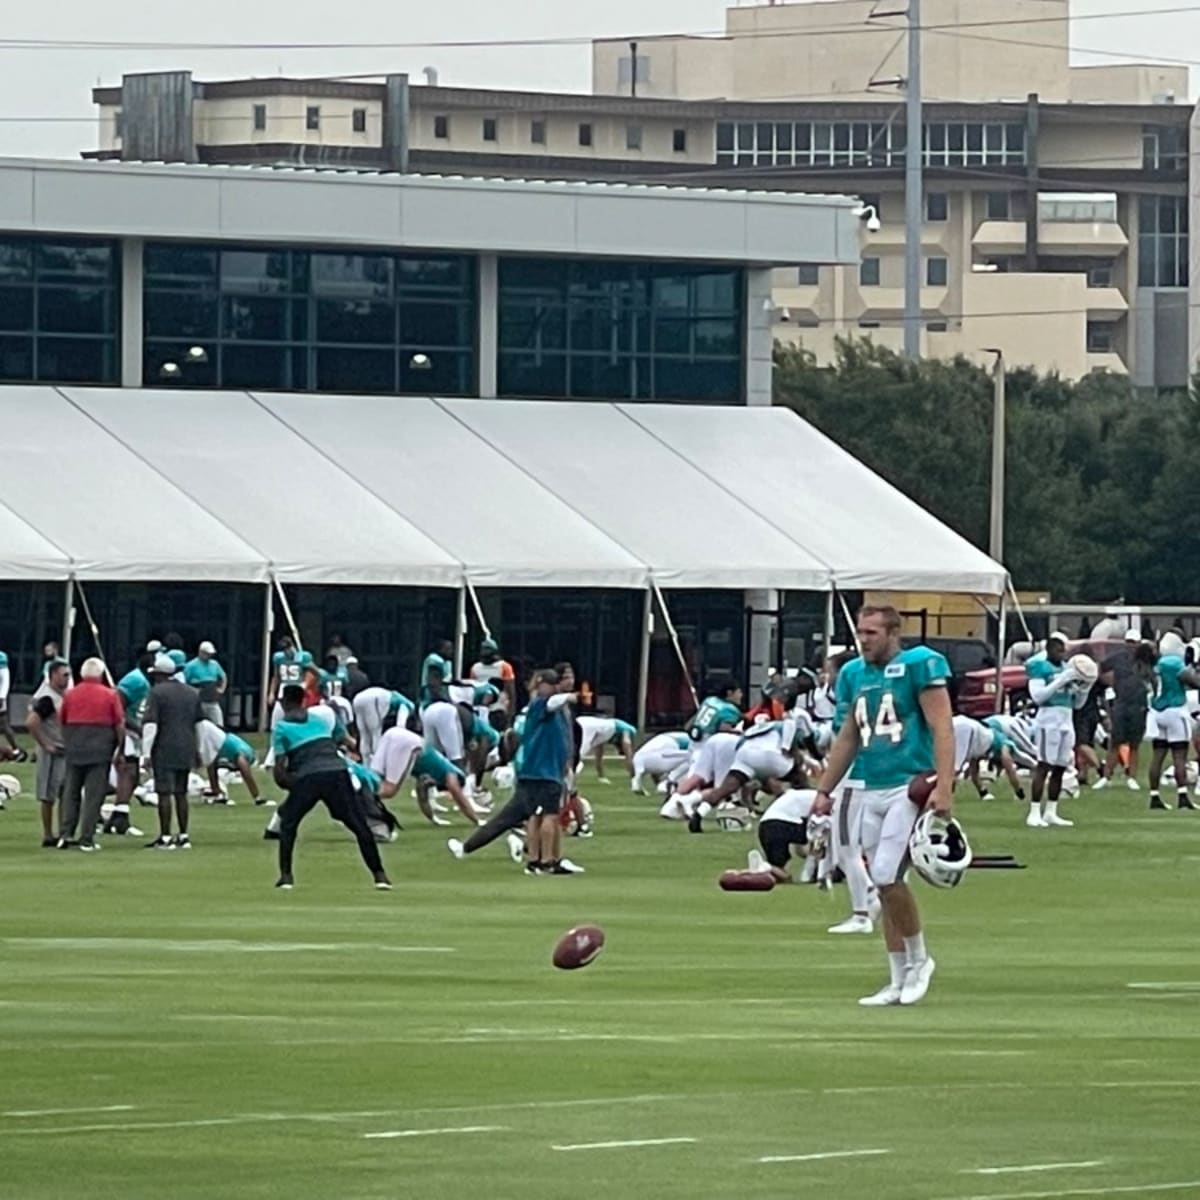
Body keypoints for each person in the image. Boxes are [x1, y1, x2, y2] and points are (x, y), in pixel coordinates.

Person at [814, 605, 954, 1007]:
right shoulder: (854, 673)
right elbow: (848, 737)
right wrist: (825, 789)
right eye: (861, 631)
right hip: (871, 784)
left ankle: (920, 960)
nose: (864, 639)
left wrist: (944, 786)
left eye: (872, 632)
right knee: (886, 883)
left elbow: (942, 726)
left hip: (907, 784)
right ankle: (896, 978)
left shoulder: (919, 664)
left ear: (894, 633)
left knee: (887, 873)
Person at [447, 668, 581, 875]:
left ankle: (536, 859)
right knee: (548, 815)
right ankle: (545, 861)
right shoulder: (540, 705)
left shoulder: (554, 711)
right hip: (542, 771)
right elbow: (552, 704)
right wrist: (570, 696)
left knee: (521, 817)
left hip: (541, 770)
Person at [271, 685, 391, 891]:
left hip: (309, 774)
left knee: (289, 823)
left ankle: (286, 877)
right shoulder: (319, 721)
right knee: (358, 824)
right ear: (303, 701)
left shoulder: (282, 728)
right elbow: (340, 742)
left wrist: (293, 785)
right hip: (337, 771)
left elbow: (280, 769)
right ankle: (380, 876)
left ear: (283, 703)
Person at [687, 715, 809, 832]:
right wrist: (791, 751)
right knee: (799, 777)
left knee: (723, 790)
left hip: (745, 755)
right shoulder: (784, 724)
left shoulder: (755, 729)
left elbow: (741, 745)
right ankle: (807, 815)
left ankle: (699, 814)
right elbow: (789, 729)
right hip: (770, 755)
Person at [57, 658, 125, 853]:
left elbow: (62, 720)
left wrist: (68, 742)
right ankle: (86, 838)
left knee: (71, 793)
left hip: (75, 747)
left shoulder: (70, 695)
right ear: (101, 675)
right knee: (93, 796)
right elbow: (119, 724)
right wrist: (120, 749)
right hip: (100, 749)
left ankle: (66, 834)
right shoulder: (110, 695)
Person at [142, 653, 204, 850]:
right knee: (181, 792)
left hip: (164, 748)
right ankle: (184, 835)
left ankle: (166, 836)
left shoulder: (157, 693)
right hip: (186, 747)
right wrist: (199, 749)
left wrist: (146, 752)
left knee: (164, 793)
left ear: (159, 674)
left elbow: (151, 724)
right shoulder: (191, 693)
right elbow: (200, 725)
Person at [1024, 632, 1086, 829]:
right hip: (1048, 721)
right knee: (1044, 765)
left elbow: (1077, 704)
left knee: (1060, 767)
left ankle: (1051, 811)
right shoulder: (1040, 668)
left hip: (1066, 720)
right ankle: (1034, 811)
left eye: (1063, 651)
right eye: (1058, 650)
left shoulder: (1066, 669)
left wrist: (1084, 688)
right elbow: (1038, 697)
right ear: (1049, 650)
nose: (1062, 654)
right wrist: (1060, 680)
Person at [370, 724, 483, 826]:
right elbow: (458, 795)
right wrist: (476, 819)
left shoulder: (428, 774)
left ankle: (359, 798)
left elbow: (422, 797)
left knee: (373, 779)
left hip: (392, 732)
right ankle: (361, 802)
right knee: (390, 790)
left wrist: (434, 819)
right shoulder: (453, 774)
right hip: (411, 744)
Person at [1146, 646, 1200, 811]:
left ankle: (1154, 796)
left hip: (1158, 712)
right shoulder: (1176, 665)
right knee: (1179, 756)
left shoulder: (1158, 667)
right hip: (1175, 710)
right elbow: (1191, 680)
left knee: (1157, 756)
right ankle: (1182, 796)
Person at [1096, 633, 1152, 791]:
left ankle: (1132, 777)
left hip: (1138, 704)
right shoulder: (1118, 658)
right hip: (1121, 703)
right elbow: (1102, 667)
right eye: (1129, 642)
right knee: (1115, 741)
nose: (1131, 645)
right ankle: (1106, 777)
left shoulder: (1145, 659)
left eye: (1134, 642)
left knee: (1134, 743)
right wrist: (1109, 682)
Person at [26, 659, 70, 847]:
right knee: (49, 795)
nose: (67, 679)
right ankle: (48, 833)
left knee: (65, 792)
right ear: (52, 675)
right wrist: (46, 744)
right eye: (64, 675)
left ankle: (63, 831)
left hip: (64, 750)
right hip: (53, 752)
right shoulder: (47, 698)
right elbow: (31, 722)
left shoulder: (65, 695)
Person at [195, 719, 263, 804]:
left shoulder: (240, 752)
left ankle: (217, 792)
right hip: (214, 735)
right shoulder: (243, 754)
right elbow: (246, 774)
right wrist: (257, 797)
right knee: (210, 762)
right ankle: (216, 792)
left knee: (211, 764)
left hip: (217, 736)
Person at [351, 686, 415, 762]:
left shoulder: (394, 696)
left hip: (357, 699)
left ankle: (366, 762)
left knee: (364, 734)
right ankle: (377, 762)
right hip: (373, 699)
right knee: (375, 733)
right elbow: (400, 726)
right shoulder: (407, 705)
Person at [469, 638, 517, 728]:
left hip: (499, 708)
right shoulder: (475, 668)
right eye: (483, 649)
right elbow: (472, 689)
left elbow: (511, 691)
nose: (485, 652)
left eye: (488, 649)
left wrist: (511, 713)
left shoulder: (504, 666)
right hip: (480, 707)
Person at [576, 714, 637, 783]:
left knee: (576, 752)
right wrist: (634, 777)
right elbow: (628, 754)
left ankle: (600, 776)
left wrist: (601, 776)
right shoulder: (628, 730)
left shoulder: (604, 732)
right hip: (587, 725)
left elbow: (599, 755)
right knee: (578, 755)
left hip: (582, 721)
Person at [631, 731, 691, 796]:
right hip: (658, 755)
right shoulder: (693, 741)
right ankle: (668, 782)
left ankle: (637, 780)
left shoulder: (679, 735)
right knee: (692, 757)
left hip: (639, 758)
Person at [184, 641, 227, 727]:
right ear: (200, 652)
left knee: (218, 723)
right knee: (200, 724)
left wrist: (222, 689)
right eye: (207, 654)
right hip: (198, 699)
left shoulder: (214, 664)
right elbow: (184, 682)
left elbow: (223, 677)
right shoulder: (191, 666)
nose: (209, 656)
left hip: (212, 699)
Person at [0, 646, 26, 760]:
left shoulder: (2, 658)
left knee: (4, 724)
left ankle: (15, 749)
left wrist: (2, 696)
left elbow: (5, 679)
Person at [420, 640, 455, 707]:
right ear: (441, 649)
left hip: (444, 691)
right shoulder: (434, 659)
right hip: (431, 691)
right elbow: (433, 680)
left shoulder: (448, 662)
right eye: (448, 649)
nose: (451, 651)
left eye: (451, 649)